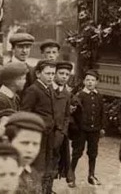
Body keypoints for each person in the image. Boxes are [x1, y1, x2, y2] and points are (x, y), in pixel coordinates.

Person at [20, 60, 56, 194]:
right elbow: (25, 113)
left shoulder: (49, 88)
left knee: (46, 166)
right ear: (38, 74)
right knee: (37, 168)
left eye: (53, 73)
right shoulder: (33, 90)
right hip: (38, 135)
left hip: (48, 135)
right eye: (48, 73)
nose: (51, 76)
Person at [67, 70, 105, 188]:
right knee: (77, 152)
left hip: (94, 130)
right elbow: (72, 114)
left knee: (93, 153)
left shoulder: (99, 96)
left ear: (97, 82)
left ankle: (91, 175)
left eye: (93, 80)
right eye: (88, 80)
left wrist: (102, 127)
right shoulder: (79, 95)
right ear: (84, 81)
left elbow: (102, 113)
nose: (90, 82)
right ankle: (71, 176)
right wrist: (74, 128)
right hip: (81, 130)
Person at [5, 111, 46, 194]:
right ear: (8, 142)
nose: (30, 150)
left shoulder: (33, 175)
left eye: (35, 144)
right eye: (24, 143)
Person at [50, 62, 72, 190]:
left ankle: (50, 188)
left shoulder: (67, 93)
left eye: (67, 74)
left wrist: (63, 131)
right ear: (55, 74)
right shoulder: (49, 90)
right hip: (48, 132)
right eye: (61, 73)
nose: (64, 77)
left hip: (60, 134)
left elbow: (67, 115)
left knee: (56, 161)